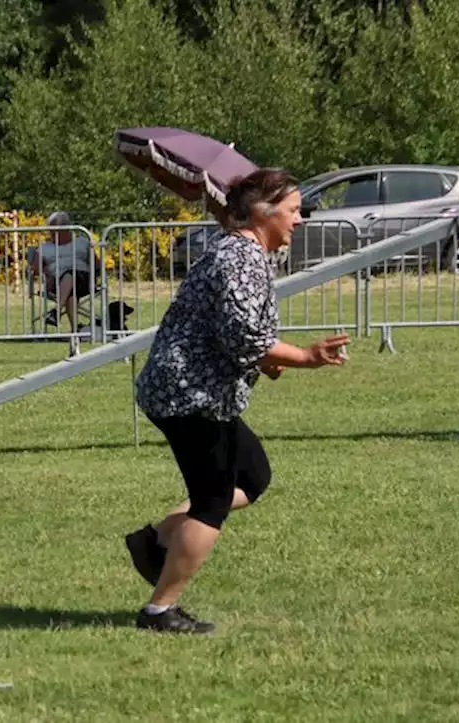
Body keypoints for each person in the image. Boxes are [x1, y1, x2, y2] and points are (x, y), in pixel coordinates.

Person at [124, 168, 351, 635]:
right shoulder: (241, 258)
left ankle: (158, 541)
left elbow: (234, 333)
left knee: (252, 476)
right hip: (191, 395)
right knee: (212, 501)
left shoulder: (247, 253)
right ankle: (159, 611)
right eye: (293, 211)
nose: (300, 220)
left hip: (198, 392)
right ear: (263, 213)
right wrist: (304, 356)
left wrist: (266, 359)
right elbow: (245, 337)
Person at [28, 211, 98, 333]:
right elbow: (33, 268)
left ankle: (56, 311)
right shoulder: (44, 248)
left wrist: (97, 273)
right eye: (51, 231)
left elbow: (97, 264)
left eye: (56, 231)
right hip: (57, 283)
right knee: (71, 290)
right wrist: (46, 274)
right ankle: (75, 331)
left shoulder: (82, 242)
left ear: (67, 229)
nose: (52, 234)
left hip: (84, 280)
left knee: (71, 275)